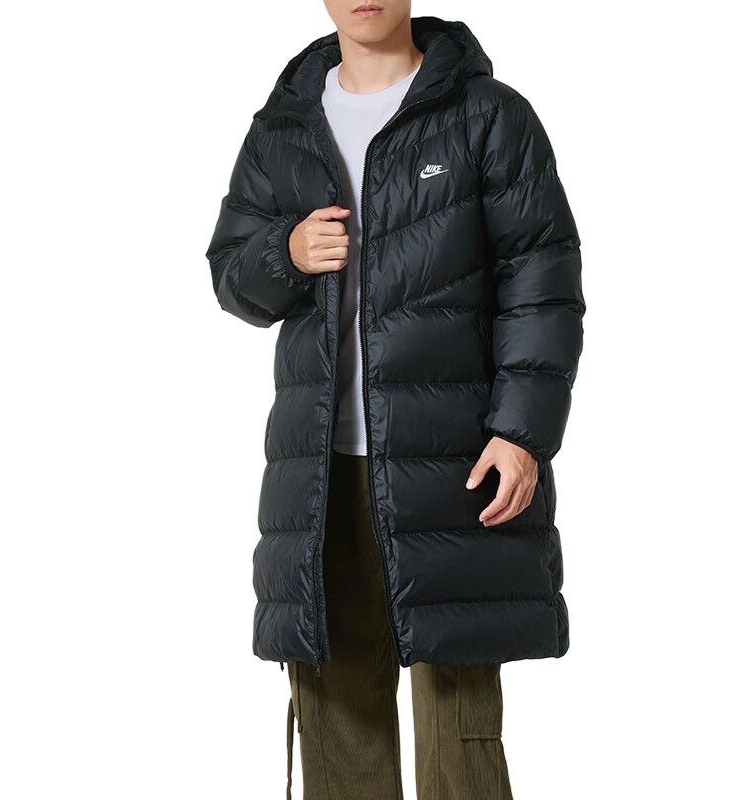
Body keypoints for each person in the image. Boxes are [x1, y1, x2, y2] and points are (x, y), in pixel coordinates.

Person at [205, 3, 584, 798]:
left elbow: (541, 284)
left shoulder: (488, 115)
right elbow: (233, 278)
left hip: (456, 465)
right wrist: (287, 251)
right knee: (338, 726)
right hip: (321, 478)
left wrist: (521, 434)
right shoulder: (283, 127)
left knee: (460, 735)